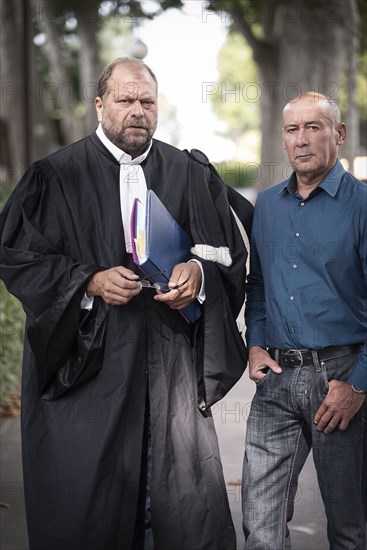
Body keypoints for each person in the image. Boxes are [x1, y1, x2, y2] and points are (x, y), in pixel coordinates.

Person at [0, 57, 253, 550]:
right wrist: (88, 281)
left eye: (147, 102)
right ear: (100, 105)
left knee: (178, 503)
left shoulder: (187, 171)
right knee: (91, 506)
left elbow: (227, 255)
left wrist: (198, 274)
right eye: (125, 100)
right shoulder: (55, 176)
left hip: (170, 364)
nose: (137, 110)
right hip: (89, 364)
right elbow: (17, 257)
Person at [242, 92, 367, 549]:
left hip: (339, 381)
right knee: (260, 523)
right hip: (275, 378)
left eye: (314, 127)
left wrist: (357, 385)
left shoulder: (362, 206)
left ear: (339, 133)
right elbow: (257, 287)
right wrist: (255, 344)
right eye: (292, 130)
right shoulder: (268, 205)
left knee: (349, 529)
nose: (302, 140)